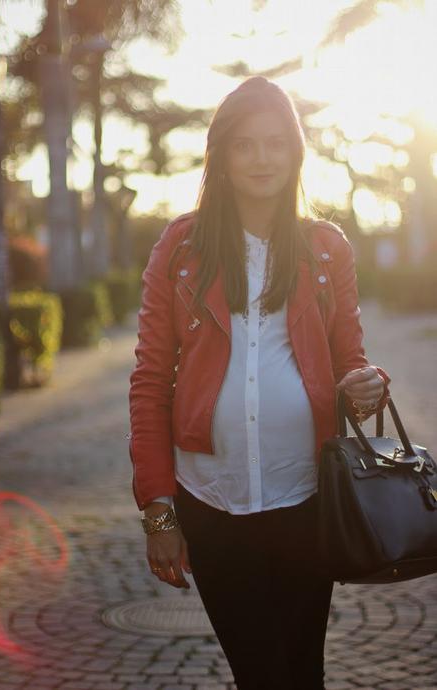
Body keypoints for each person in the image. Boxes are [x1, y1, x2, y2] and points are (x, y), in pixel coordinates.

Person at [128, 76, 390, 690]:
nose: (262, 158)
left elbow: (351, 358)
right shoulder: (181, 247)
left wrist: (366, 384)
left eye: (276, 143)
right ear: (219, 155)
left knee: (303, 672)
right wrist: (159, 511)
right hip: (212, 503)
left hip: (307, 499)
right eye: (244, 144)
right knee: (262, 674)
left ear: (296, 152)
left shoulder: (326, 249)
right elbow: (148, 381)